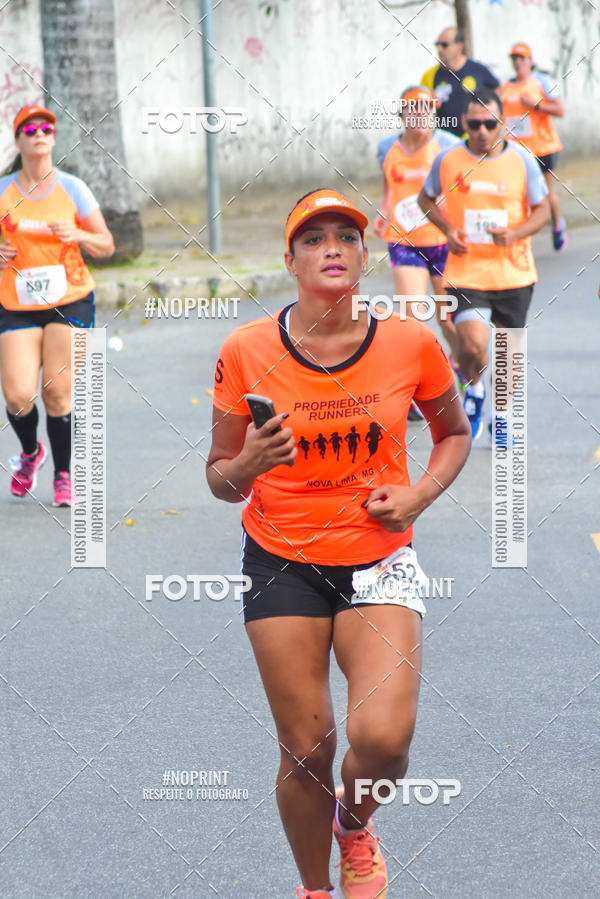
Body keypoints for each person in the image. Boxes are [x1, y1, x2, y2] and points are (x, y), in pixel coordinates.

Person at [207, 188, 471, 898]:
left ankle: (354, 825)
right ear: (289, 258)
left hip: (380, 558)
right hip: (281, 560)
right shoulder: (247, 348)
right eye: (314, 237)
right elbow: (219, 478)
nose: (331, 247)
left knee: (383, 740)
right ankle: (314, 888)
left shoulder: (411, 341)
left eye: (346, 237)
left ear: (365, 255)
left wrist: (418, 495)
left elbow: (453, 433)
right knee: (307, 747)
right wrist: (248, 465)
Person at [418, 89, 550, 442]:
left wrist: (516, 232)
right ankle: (474, 387)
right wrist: (447, 230)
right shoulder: (447, 161)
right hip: (466, 270)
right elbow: (425, 198)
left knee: (507, 355)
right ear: (464, 123)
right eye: (474, 124)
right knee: (473, 344)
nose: (481, 131)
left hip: (514, 272)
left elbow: (544, 210)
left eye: (489, 124)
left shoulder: (522, 160)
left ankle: (501, 412)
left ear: (502, 123)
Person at [0, 104, 114, 505]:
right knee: (17, 396)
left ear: (53, 136)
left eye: (46, 126)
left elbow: (107, 244)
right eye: (29, 128)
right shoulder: (3, 191)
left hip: (70, 300)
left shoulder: (73, 188)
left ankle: (64, 475)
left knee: (57, 394)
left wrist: (78, 235)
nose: (39, 132)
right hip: (15, 301)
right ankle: (31, 453)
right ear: (18, 140)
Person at [374, 85, 461, 381]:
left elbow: (461, 185)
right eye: (413, 109)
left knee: (447, 317)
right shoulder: (387, 148)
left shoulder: (448, 144)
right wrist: (383, 211)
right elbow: (390, 185)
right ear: (402, 114)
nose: (420, 115)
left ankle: (461, 365)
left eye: (426, 109)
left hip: (442, 240)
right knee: (411, 319)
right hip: (404, 240)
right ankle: (413, 384)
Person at [501, 42, 566, 250]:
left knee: (546, 193)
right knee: (518, 193)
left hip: (543, 147)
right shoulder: (506, 88)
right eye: (515, 59)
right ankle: (519, 235)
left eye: (522, 58)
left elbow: (559, 110)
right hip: (518, 152)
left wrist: (536, 105)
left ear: (530, 61)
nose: (518, 63)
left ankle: (557, 226)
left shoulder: (541, 82)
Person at [421, 27, 499, 138]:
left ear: (459, 46)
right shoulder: (429, 75)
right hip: (444, 142)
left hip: (474, 140)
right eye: (437, 45)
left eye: (444, 45)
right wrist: (428, 102)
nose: (439, 49)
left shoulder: (478, 70)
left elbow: (498, 92)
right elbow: (419, 110)